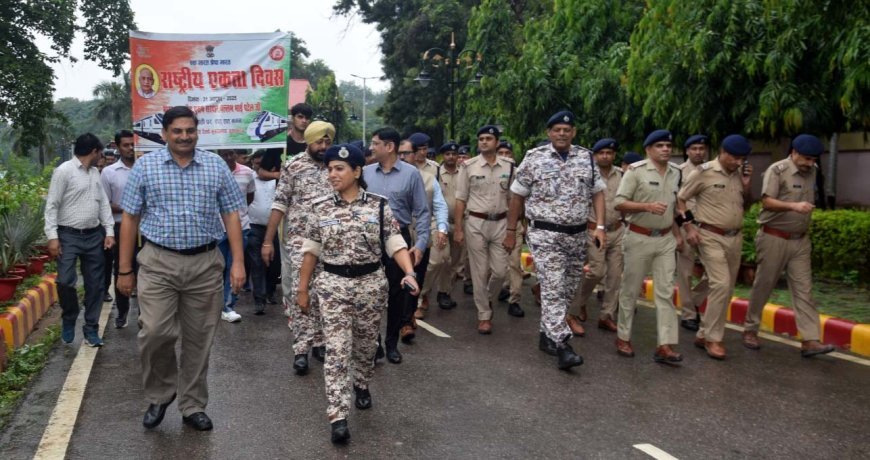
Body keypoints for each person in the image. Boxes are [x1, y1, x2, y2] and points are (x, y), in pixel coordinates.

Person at [116, 106, 246, 431]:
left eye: (190, 130)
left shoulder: (215, 166)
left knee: (199, 338)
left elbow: (231, 213)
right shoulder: (146, 167)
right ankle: (161, 394)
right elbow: (130, 218)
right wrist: (124, 269)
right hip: (158, 262)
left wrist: (238, 263)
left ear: (197, 132)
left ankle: (192, 405)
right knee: (155, 332)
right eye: (177, 131)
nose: (184, 136)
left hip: (205, 263)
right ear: (165, 134)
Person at [297, 143, 419, 443]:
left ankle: (361, 384)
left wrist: (410, 272)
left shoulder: (378, 205)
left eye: (339, 169)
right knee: (337, 350)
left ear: (356, 171)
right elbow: (310, 251)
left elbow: (394, 242)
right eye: (329, 169)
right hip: (333, 286)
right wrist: (302, 289)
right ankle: (338, 415)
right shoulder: (320, 206)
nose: (332, 174)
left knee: (365, 346)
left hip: (370, 285)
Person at [505, 111, 604, 370]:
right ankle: (562, 345)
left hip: (577, 234)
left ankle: (545, 336)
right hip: (545, 234)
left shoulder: (586, 157)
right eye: (557, 129)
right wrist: (510, 230)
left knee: (568, 289)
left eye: (567, 130)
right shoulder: (534, 158)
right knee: (552, 288)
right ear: (549, 133)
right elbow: (517, 196)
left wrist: (600, 226)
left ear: (573, 133)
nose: (562, 133)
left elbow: (598, 193)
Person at [742, 134, 834, 357]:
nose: (810, 164)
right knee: (764, 285)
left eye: (813, 160)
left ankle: (810, 340)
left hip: (800, 241)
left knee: (804, 290)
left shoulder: (812, 171)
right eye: (806, 159)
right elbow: (767, 202)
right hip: (774, 237)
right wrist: (794, 206)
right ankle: (750, 330)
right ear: (794, 152)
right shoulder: (778, 170)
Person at [262, 121, 336, 374]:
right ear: (308, 141)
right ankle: (301, 349)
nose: (324, 147)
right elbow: (279, 204)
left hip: (330, 243)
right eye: (319, 142)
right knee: (300, 293)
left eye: (328, 142)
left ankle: (320, 342)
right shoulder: (293, 167)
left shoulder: (337, 168)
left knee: (324, 295)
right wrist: (267, 241)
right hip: (299, 243)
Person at [678, 134, 753, 360]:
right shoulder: (703, 172)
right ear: (724, 153)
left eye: (742, 159)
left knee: (726, 288)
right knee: (721, 283)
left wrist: (747, 185)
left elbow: (747, 205)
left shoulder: (739, 174)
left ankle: (703, 333)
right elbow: (680, 200)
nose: (739, 162)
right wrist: (689, 228)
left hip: (734, 237)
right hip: (709, 235)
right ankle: (713, 338)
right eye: (735, 158)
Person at [612, 130, 684, 364]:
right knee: (630, 289)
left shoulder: (676, 172)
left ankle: (665, 345)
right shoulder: (635, 172)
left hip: (665, 240)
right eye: (660, 145)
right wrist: (646, 206)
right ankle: (623, 336)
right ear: (649, 149)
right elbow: (619, 203)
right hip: (638, 237)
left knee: (665, 292)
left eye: (668, 145)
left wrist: (681, 232)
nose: (665, 149)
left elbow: (675, 207)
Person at [363, 127, 430, 364]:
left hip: (399, 238)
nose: (371, 148)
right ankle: (375, 344)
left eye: (375, 143)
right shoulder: (365, 172)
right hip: (368, 239)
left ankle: (391, 344)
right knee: (370, 293)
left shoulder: (411, 174)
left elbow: (422, 212)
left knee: (396, 294)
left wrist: (420, 244)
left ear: (389, 146)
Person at [45, 133, 115, 347]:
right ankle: (70, 316)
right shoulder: (64, 171)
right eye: (100, 153)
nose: (101, 157)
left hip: (94, 235)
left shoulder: (95, 173)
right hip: (68, 236)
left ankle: (91, 329)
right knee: (65, 281)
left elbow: (103, 204)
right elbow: (52, 205)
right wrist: (53, 237)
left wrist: (109, 231)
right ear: (94, 151)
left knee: (96, 285)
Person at [455, 125, 516, 334]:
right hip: (475, 222)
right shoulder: (468, 167)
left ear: (497, 143)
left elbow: (514, 199)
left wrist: (512, 230)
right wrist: (459, 230)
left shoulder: (509, 167)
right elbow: (460, 199)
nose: (484, 142)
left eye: (489, 138)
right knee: (479, 272)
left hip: (501, 222)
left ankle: (487, 299)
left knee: (500, 271)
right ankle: (484, 315)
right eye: (481, 138)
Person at [567, 138, 625, 336]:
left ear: (614, 155)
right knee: (597, 271)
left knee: (615, 276)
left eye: (609, 153)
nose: (606, 156)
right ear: (595, 155)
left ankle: (606, 316)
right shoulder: (586, 174)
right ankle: (577, 305)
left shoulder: (623, 175)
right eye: (602, 153)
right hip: (593, 230)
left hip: (617, 230)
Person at [396, 139, 448, 326]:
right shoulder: (389, 177)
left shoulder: (427, 178)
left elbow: (440, 206)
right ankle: (402, 316)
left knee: (420, 271)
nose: (403, 157)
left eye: (407, 153)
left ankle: (409, 318)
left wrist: (442, 229)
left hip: (420, 234)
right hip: (395, 236)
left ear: (415, 155)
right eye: (399, 153)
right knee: (395, 279)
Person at [100, 130, 137, 328]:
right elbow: (105, 203)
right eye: (126, 145)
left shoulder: (147, 168)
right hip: (120, 226)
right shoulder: (109, 173)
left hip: (145, 227)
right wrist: (130, 209)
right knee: (123, 268)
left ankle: (145, 315)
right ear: (118, 147)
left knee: (146, 270)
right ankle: (122, 311)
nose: (131, 148)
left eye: (133, 144)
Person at [420, 142, 462, 310]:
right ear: (442, 156)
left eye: (454, 154)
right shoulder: (436, 171)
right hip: (439, 222)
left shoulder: (465, 171)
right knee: (439, 259)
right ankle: (423, 292)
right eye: (447, 154)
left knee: (453, 261)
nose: (451, 157)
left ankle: (444, 292)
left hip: (460, 222)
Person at [676, 135, 711, 331]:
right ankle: (688, 314)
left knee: (713, 272)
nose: (698, 152)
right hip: (686, 226)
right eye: (694, 148)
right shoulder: (679, 172)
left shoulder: (712, 171)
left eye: (701, 148)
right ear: (687, 151)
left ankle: (694, 300)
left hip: (708, 228)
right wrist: (679, 233)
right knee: (685, 274)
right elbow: (675, 204)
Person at [217, 149, 255, 322]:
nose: (227, 157)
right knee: (216, 269)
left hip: (241, 227)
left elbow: (249, 197)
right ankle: (214, 305)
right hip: (216, 228)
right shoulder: (213, 171)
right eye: (223, 154)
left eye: (230, 153)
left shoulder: (248, 173)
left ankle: (229, 306)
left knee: (234, 267)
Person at [247, 150, 280, 314]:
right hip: (254, 226)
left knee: (274, 264)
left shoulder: (277, 180)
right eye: (257, 160)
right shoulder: (249, 178)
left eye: (263, 160)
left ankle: (270, 291)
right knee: (257, 263)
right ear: (253, 161)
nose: (259, 162)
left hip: (273, 229)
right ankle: (259, 299)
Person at [496, 140, 525, 318]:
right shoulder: (488, 172)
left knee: (514, 263)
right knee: (495, 266)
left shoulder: (521, 173)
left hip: (515, 223)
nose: (505, 157)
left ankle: (515, 299)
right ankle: (497, 290)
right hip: (495, 223)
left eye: (508, 153)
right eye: (502, 153)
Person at [259, 103, 313, 181]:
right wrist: (277, 175)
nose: (304, 121)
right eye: (300, 117)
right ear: (292, 118)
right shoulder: (280, 144)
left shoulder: (313, 145)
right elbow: (261, 172)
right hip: (285, 191)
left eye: (307, 118)